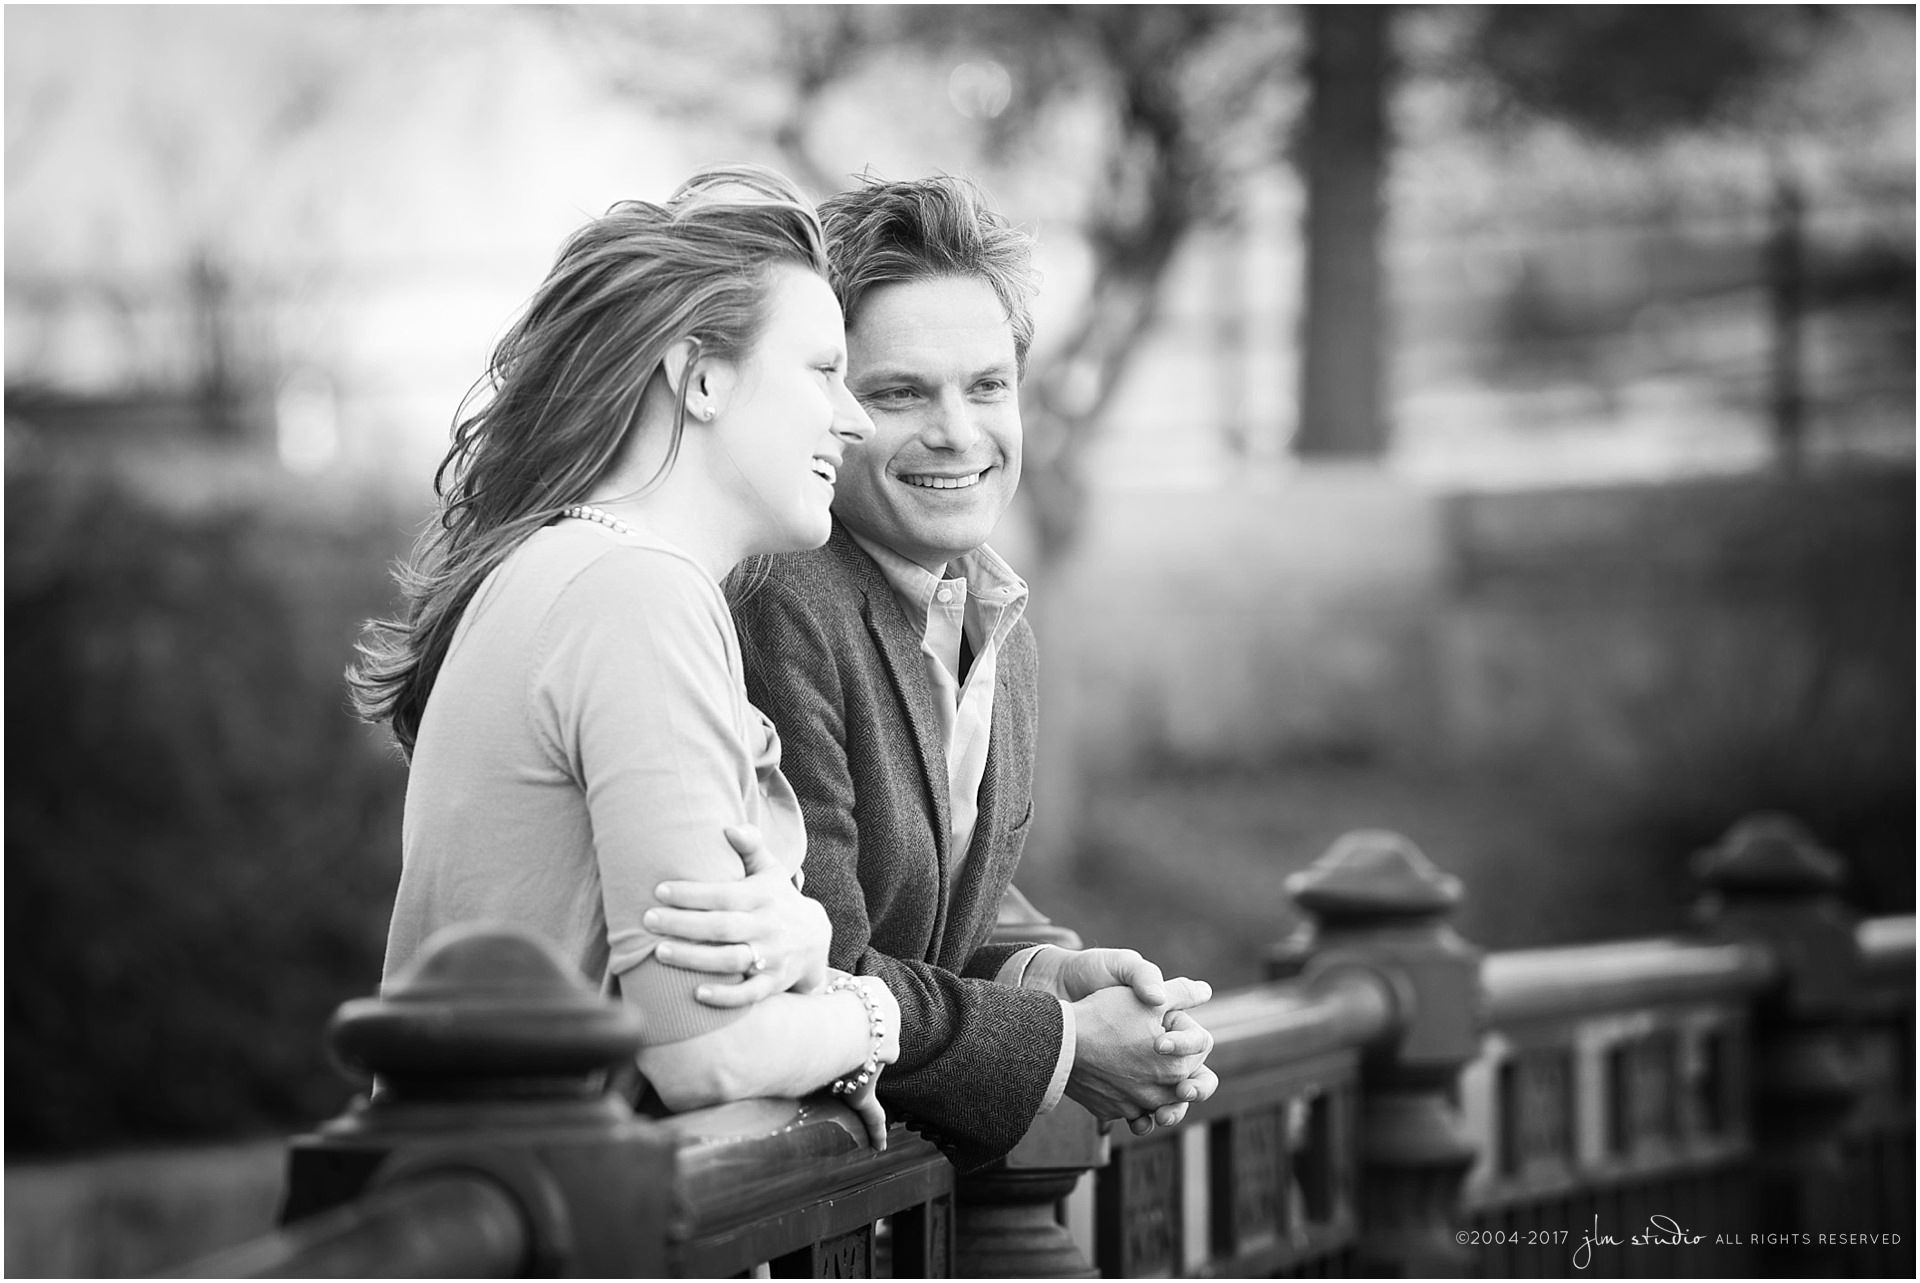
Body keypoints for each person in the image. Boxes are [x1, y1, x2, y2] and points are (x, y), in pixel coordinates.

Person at [646, 174, 1218, 1170]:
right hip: (723, 1191)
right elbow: (823, 966)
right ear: (830, 404)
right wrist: (1064, 1047)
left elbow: (934, 909)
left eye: (988, 385)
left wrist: (1053, 970)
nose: (959, 431)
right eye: (901, 391)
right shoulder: (782, 599)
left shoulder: (999, 618)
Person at [345, 165, 899, 1147]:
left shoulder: (572, 570)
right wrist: (869, 1018)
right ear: (701, 377)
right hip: (564, 1216)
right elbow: (700, 1053)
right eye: (821, 369)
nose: (853, 419)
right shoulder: (635, 593)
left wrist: (806, 938)